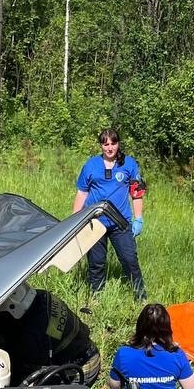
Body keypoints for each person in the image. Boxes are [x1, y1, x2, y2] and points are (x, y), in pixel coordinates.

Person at [0, 283, 101, 386]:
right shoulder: (40, 297)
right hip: (83, 347)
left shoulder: (31, 337)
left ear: (12, 308)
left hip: (82, 367)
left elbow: (25, 379)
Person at [72, 128, 147, 299]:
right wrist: (75, 221)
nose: (110, 148)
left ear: (118, 144)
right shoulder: (91, 165)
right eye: (106, 144)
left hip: (120, 222)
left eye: (113, 143)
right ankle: (97, 296)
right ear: (101, 146)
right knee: (96, 263)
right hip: (94, 222)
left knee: (129, 260)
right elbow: (81, 193)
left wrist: (139, 219)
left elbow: (137, 193)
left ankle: (140, 296)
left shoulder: (129, 164)